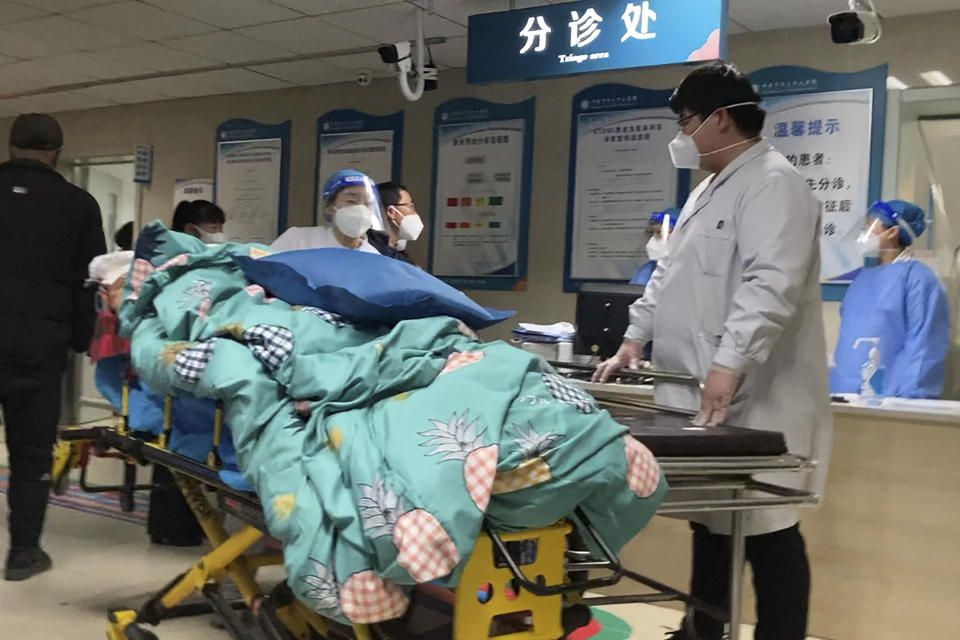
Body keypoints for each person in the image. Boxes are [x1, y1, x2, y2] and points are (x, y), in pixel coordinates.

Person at [593, 62, 831, 640]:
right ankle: (702, 627)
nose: (681, 134)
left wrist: (730, 363)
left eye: (687, 120)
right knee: (711, 521)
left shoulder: (775, 183)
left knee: (767, 526)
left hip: (755, 394)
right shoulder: (707, 190)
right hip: (699, 393)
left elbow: (770, 284)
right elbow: (666, 275)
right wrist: (633, 338)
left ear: (722, 119)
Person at [0, 113, 106, 580]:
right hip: (39, 349)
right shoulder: (78, 204)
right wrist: (81, 340)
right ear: (56, 154)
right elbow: (90, 282)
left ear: (10, 147)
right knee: (29, 454)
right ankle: (23, 553)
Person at [830, 200, 949, 398]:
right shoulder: (862, 279)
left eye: (869, 225)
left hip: (892, 402)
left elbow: (924, 346)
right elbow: (848, 342)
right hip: (844, 395)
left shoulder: (919, 280)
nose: (863, 232)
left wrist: (907, 400)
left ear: (892, 232)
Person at [272, 170, 383, 253]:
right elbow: (263, 273)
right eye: (351, 201)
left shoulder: (373, 256)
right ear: (329, 206)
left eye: (368, 204)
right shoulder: (298, 241)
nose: (360, 209)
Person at [368, 181, 423, 265]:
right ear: (391, 211)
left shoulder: (397, 253)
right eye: (410, 206)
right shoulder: (372, 253)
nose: (415, 213)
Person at [631, 207, 679, 286]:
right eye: (651, 233)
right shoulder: (646, 271)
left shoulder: (694, 270)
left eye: (660, 232)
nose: (653, 239)